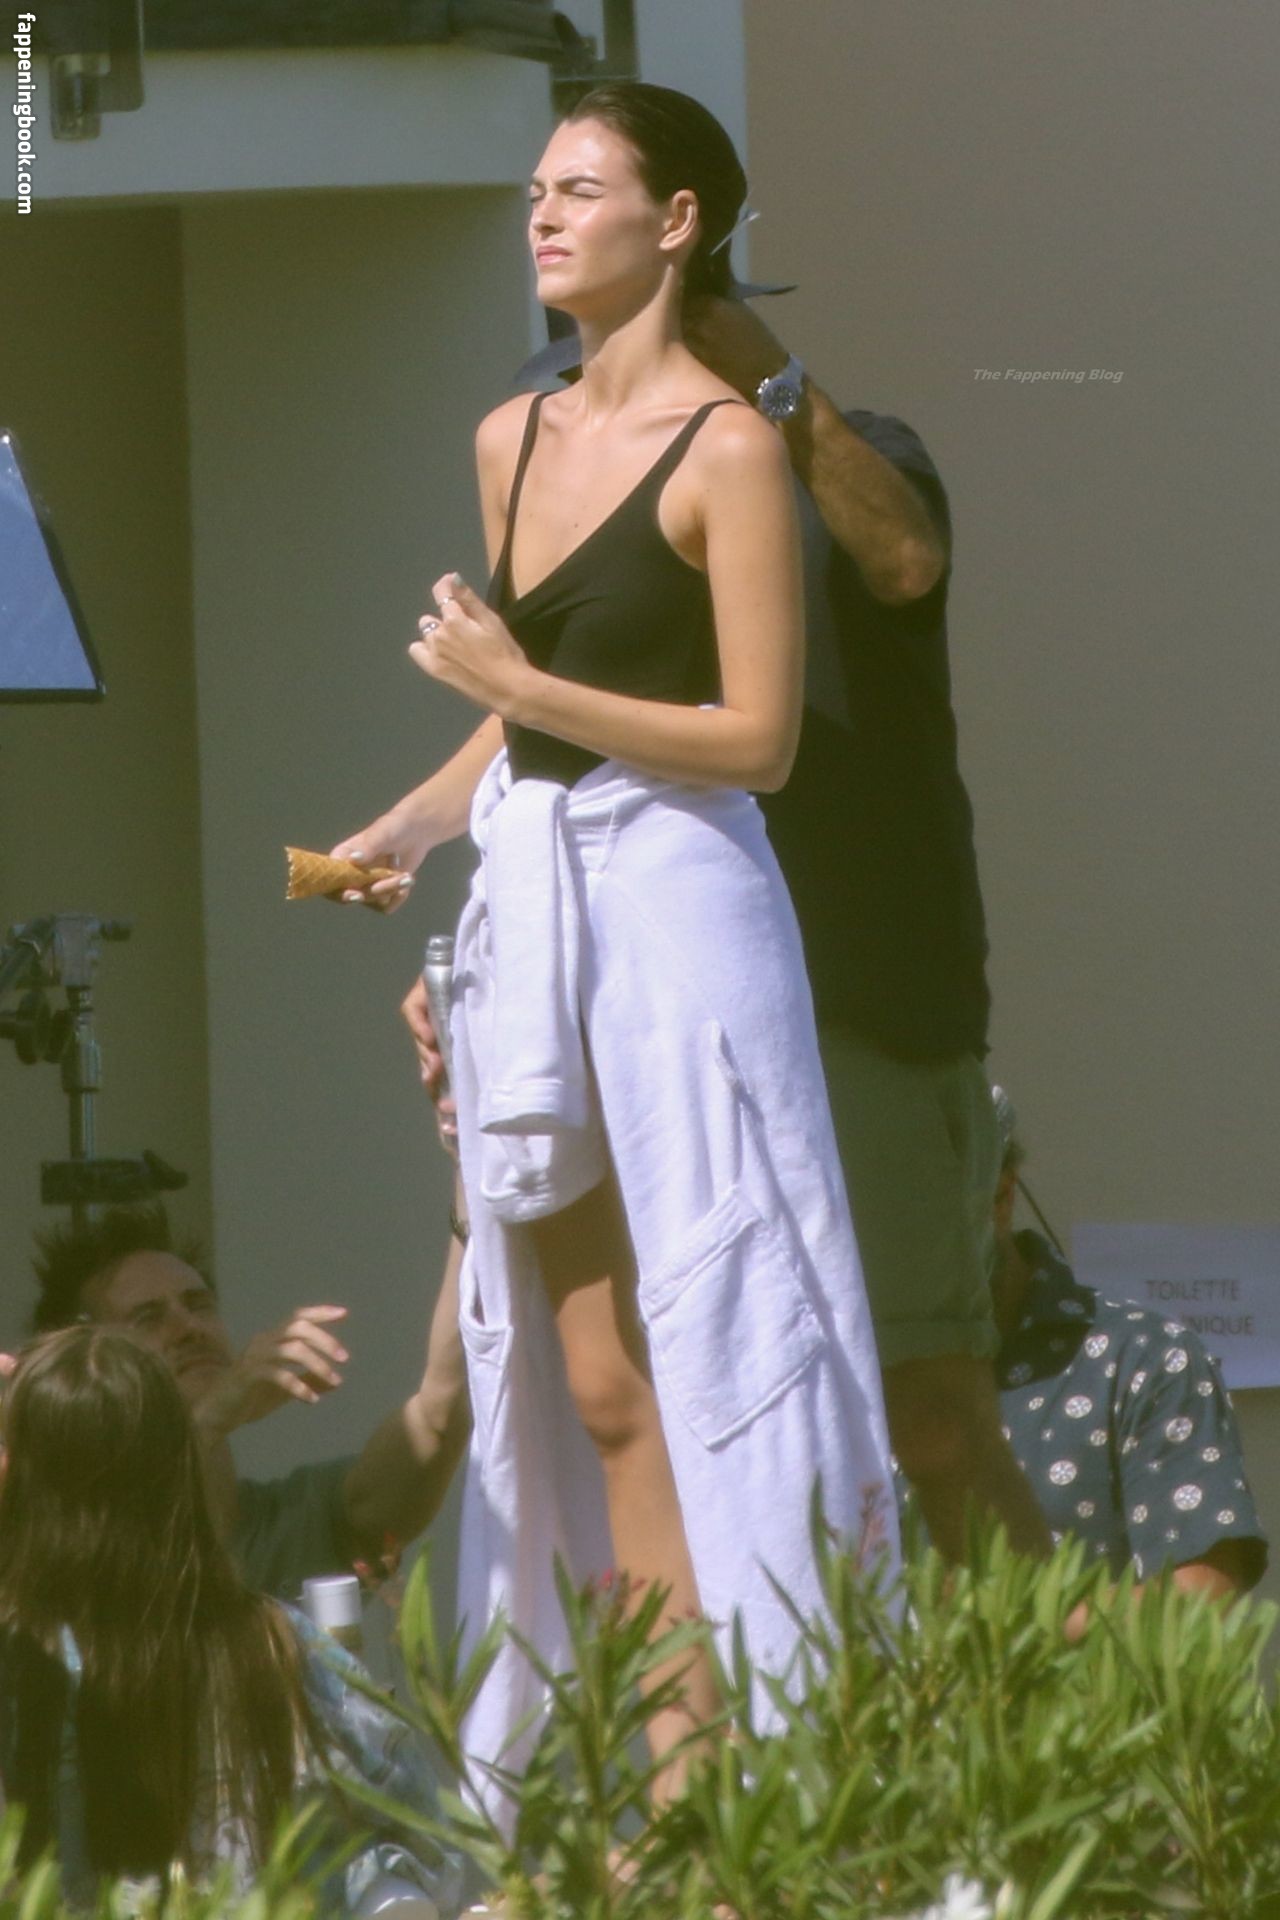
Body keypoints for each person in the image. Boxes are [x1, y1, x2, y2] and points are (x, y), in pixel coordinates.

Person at [333, 81, 897, 1797]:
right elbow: (530, 715)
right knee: (591, 1375)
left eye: (581, 188)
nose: (544, 213)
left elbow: (758, 739)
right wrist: (410, 827)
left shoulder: (729, 449)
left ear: (681, 221)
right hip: (543, 899)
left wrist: (517, 686)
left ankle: (754, 1778)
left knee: (725, 1329)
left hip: (684, 910)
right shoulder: (509, 437)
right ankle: (659, 1782)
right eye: (536, 188)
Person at [403, 246, 1050, 1572]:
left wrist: (774, 390)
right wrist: (455, 922)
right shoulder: (564, 464)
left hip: (859, 994)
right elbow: (540, 732)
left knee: (924, 1412)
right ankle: (718, 1705)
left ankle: (1057, 1707)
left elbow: (905, 558)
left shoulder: (842, 453)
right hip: (644, 987)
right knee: (648, 1398)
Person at [0, 1326, 464, 1912]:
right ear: (180, 1466)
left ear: (27, 1486)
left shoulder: (23, 1658)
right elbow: (416, 1839)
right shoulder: (273, 1644)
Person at [15, 1202, 469, 1600]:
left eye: (198, 1304)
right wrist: (210, 1418)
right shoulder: (58, 1544)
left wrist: (470, 1216)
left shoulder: (301, 1520)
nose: (189, 1327)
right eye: (148, 1317)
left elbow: (442, 1411)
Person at [988, 1099, 1266, 1601]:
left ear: (1000, 1196)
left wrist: (1008, 1624)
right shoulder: (851, 1367)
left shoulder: (1141, 1357)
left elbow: (1200, 1594)